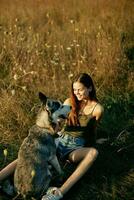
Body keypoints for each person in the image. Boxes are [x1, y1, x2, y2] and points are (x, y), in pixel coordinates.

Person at [0, 73, 104, 200]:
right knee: (28, 153)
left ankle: (58, 193)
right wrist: (54, 129)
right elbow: (58, 126)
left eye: (80, 89)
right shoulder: (69, 102)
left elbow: (92, 131)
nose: (77, 93)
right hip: (59, 140)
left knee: (93, 153)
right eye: (74, 89)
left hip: (74, 149)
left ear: (90, 88)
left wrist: (95, 141)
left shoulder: (97, 109)